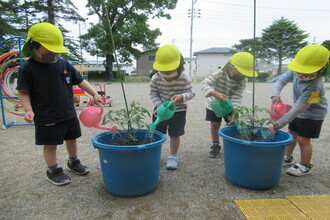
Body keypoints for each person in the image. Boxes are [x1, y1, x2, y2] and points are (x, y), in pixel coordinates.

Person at [16, 22, 102, 186]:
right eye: (48, 49)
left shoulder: (63, 64)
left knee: (72, 138)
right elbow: (23, 91)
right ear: (33, 46)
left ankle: (73, 161)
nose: (53, 53)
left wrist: (94, 93)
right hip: (46, 116)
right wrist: (28, 109)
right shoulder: (27, 68)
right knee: (50, 144)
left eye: (56, 49)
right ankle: (53, 169)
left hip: (68, 113)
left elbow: (80, 80)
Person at [271, 44, 329, 176]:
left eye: (308, 71)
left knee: (303, 139)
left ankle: (304, 165)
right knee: (292, 134)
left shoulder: (315, 85)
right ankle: (287, 157)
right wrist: (275, 94)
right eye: (301, 69)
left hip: (314, 114)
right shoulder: (295, 72)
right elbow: (281, 81)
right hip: (300, 111)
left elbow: (298, 108)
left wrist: (278, 123)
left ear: (322, 69)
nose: (302, 73)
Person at [200, 52, 258, 158]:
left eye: (245, 73)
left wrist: (235, 111)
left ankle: (233, 143)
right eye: (240, 73)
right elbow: (204, 83)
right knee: (215, 124)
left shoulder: (243, 79)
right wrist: (215, 93)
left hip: (230, 104)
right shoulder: (220, 73)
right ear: (231, 67)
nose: (243, 75)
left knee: (233, 123)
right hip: (214, 104)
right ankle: (215, 144)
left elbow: (237, 96)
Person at [150, 45, 195, 170]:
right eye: (164, 71)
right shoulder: (156, 78)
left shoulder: (185, 77)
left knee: (175, 135)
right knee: (157, 134)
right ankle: (155, 155)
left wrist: (181, 96)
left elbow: (192, 93)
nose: (166, 74)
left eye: (169, 70)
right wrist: (159, 105)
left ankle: (173, 156)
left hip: (178, 111)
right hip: (160, 111)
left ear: (179, 66)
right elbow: (153, 94)